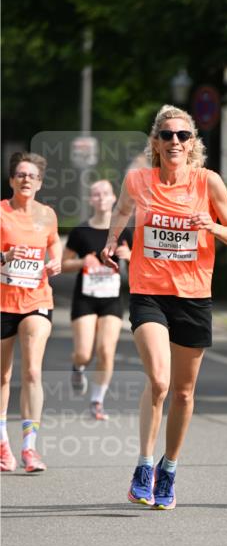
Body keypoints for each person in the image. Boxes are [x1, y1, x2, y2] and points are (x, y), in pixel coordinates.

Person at [100, 105, 227, 509]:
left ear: (193, 142)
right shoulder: (138, 181)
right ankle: (144, 467)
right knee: (160, 381)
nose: (175, 142)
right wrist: (112, 242)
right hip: (149, 292)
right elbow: (122, 211)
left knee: (182, 393)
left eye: (183, 136)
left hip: (194, 296)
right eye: (167, 136)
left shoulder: (208, 182)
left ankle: (169, 468)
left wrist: (212, 226)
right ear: (156, 143)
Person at [0, 152, 62, 473]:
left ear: (39, 183)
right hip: (2, 302)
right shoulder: (0, 213)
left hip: (37, 300)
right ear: (12, 180)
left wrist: (56, 260)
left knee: (33, 372)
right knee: (3, 375)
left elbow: (54, 244)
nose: (26, 179)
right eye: (20, 175)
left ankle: (29, 448)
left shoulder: (47, 215)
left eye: (32, 176)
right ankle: (2, 443)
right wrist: (5, 256)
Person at [62, 179, 132, 420]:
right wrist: (83, 262)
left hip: (111, 300)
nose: (101, 198)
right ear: (90, 200)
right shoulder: (81, 232)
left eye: (105, 193)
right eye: (96, 194)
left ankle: (97, 401)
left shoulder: (124, 231)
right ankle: (77, 366)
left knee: (106, 351)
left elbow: (144, 263)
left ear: (114, 198)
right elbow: (62, 264)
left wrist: (130, 255)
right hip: (85, 298)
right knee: (84, 353)